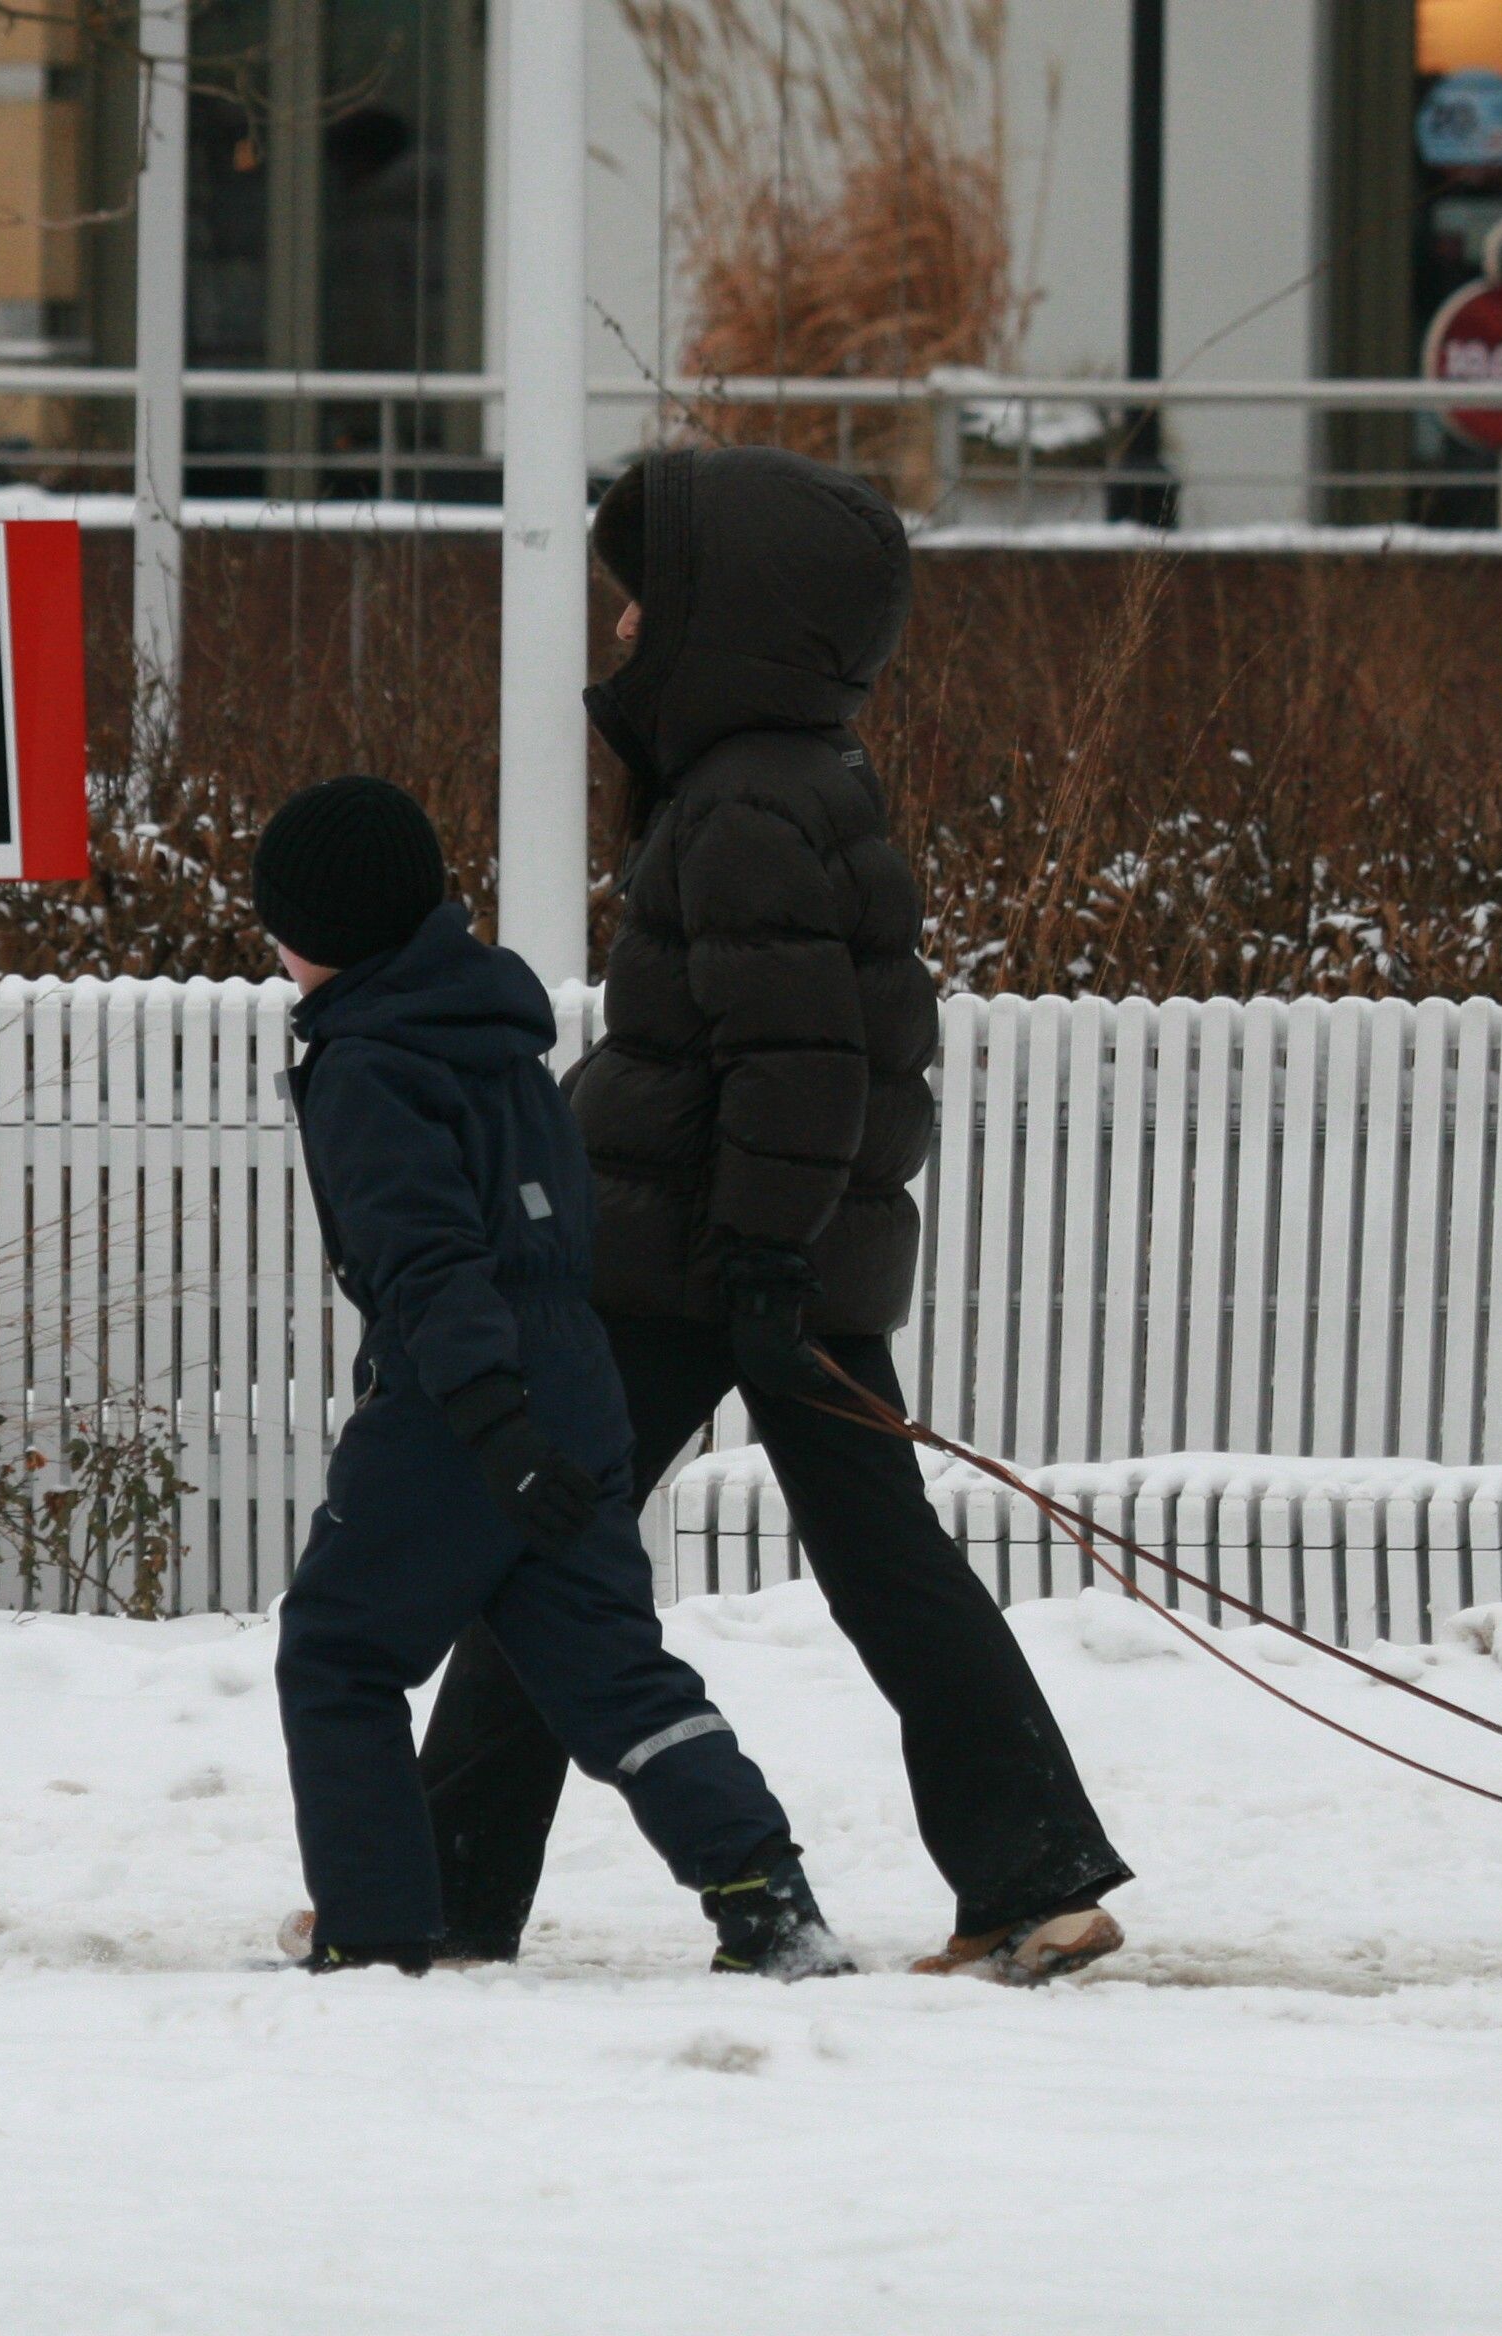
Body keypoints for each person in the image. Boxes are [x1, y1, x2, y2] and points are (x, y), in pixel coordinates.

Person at [411, 446, 1135, 1984]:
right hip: (758, 1252)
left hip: (703, 1258)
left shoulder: (744, 802)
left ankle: (435, 1892)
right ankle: (1034, 1873)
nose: (619, 628)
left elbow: (797, 1061)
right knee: (884, 1562)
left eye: (644, 601)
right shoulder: (787, 780)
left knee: (544, 1543)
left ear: (723, 622)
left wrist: (756, 1258)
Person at [257, 773, 853, 1979]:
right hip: (576, 1381)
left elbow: (429, 1258)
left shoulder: (369, 1062)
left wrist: (485, 1419)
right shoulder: (490, 1030)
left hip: (456, 1402)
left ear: (323, 929)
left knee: (337, 1651)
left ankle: (373, 1931)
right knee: (611, 1670)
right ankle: (763, 1893)